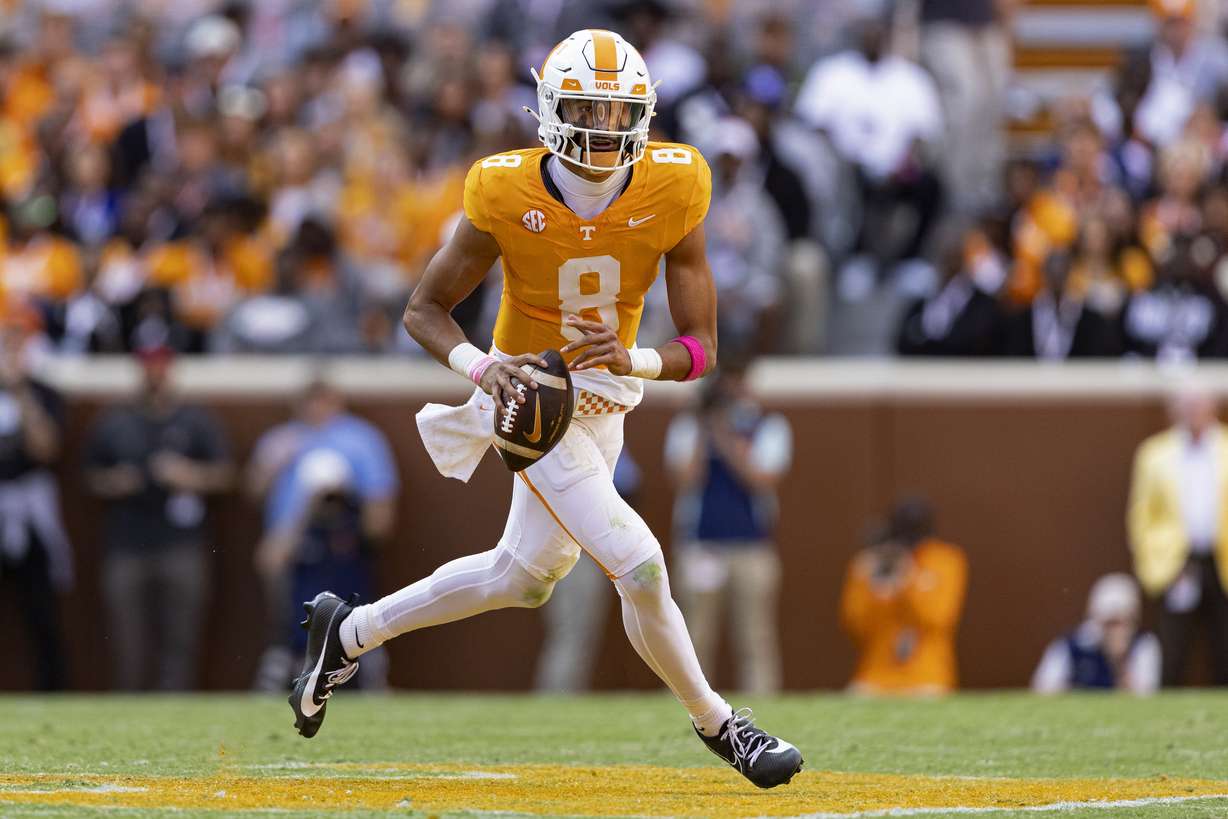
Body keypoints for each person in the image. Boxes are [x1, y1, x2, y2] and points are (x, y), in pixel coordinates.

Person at [288, 29, 803, 789]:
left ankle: (349, 631)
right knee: (641, 563)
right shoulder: (503, 188)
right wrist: (486, 368)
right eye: (586, 111)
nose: (602, 128)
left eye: (615, 111)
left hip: (606, 401)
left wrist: (637, 358)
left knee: (521, 577)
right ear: (552, 110)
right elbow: (425, 309)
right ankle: (722, 723)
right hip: (529, 399)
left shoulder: (677, 181)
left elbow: (702, 347)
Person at [84, 346, 232, 690]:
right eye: (149, 368)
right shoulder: (114, 421)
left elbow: (225, 475)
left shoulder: (196, 420)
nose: (155, 375)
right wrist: (115, 482)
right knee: (127, 640)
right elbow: (89, 476)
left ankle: (176, 710)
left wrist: (190, 476)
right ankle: (129, 709)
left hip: (182, 543)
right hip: (126, 542)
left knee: (181, 637)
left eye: (161, 368)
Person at [246, 378, 399, 691]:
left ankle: (367, 680)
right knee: (291, 625)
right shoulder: (282, 440)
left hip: (342, 547)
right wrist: (270, 466)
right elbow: (255, 490)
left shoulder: (359, 439)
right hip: (291, 545)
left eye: (323, 399)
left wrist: (370, 536)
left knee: (354, 621)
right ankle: (285, 679)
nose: (316, 407)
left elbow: (379, 498)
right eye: (309, 400)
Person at [665, 360, 791, 694]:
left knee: (755, 635)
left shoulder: (767, 425)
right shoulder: (689, 426)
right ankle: (692, 709)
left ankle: (762, 708)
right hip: (701, 545)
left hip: (751, 546)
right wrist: (704, 429)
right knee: (695, 635)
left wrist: (725, 435)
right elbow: (686, 479)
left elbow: (760, 479)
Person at [1128, 384, 1228, 685]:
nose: (1194, 412)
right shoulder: (1154, 453)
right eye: (1187, 405)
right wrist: (1152, 559)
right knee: (1173, 645)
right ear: (1174, 411)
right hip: (1177, 562)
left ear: (1214, 408)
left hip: (1221, 559)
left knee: (1223, 641)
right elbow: (1141, 514)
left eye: (1200, 405)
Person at [0, 305, 73, 690]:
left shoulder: (42, 393)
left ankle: (53, 689)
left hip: (29, 508)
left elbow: (45, 449)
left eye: (16, 341)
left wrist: (19, 392)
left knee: (41, 609)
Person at [840, 499, 968, 695]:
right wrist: (873, 585)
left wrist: (907, 581)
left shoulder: (945, 560)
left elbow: (938, 618)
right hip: (875, 677)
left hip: (928, 677)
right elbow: (855, 624)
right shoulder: (871, 563)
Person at [1032, 573, 1161, 694]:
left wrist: (1119, 661)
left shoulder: (1143, 644)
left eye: (1120, 623)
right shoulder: (1070, 645)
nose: (1115, 631)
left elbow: (1144, 693)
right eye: (1109, 623)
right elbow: (1043, 688)